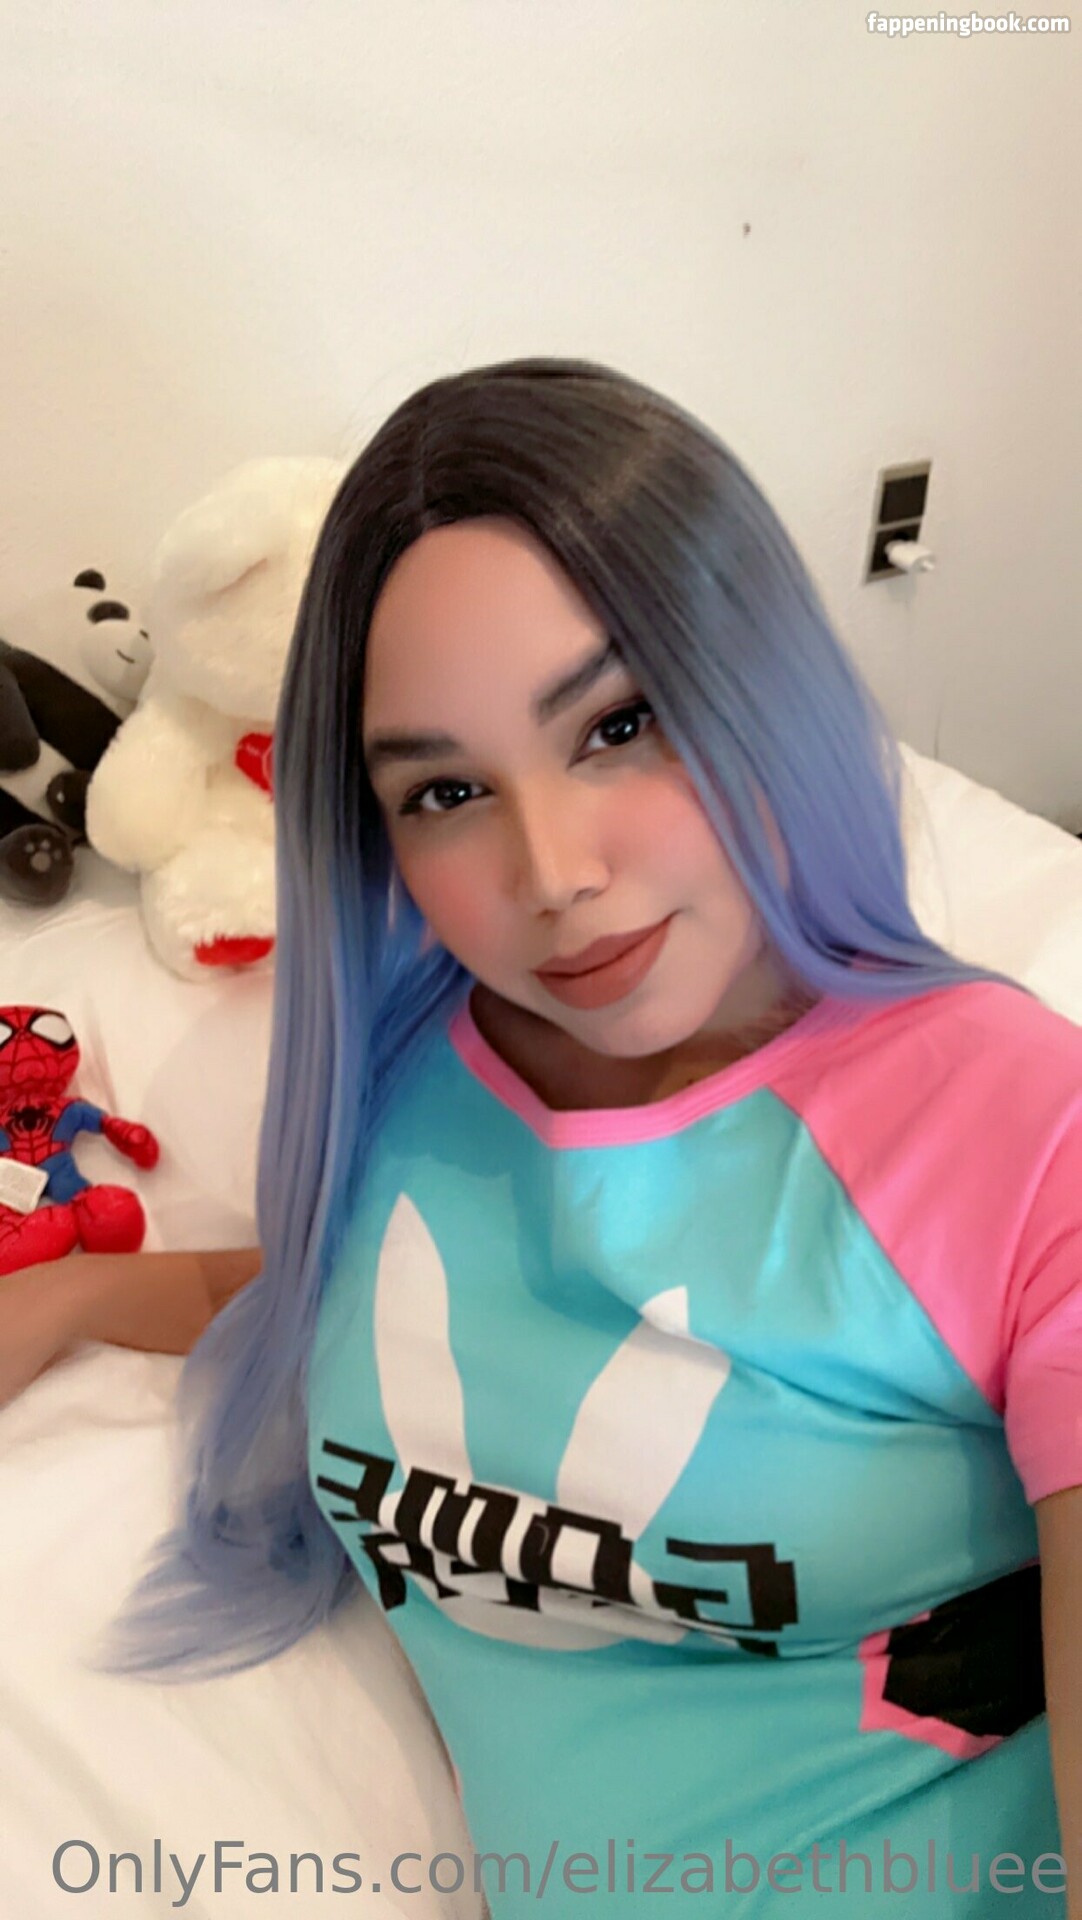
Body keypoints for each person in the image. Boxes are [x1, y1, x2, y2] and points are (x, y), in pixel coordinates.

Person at [9, 359, 1081, 1915]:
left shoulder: (1025, 1132)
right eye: (445, 790)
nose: (552, 869)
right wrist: (71, 1295)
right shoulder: (410, 1077)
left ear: (757, 681)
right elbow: (353, 1290)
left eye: (618, 724)